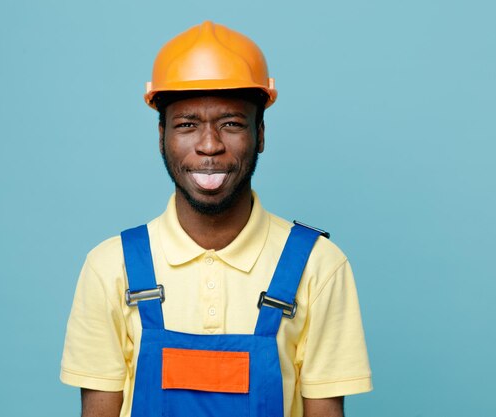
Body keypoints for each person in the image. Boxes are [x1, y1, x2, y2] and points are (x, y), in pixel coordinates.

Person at [60, 21, 372, 417]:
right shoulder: (110, 267)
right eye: (187, 124)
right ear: (162, 136)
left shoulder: (318, 265)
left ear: (260, 133)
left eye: (231, 123)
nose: (209, 145)